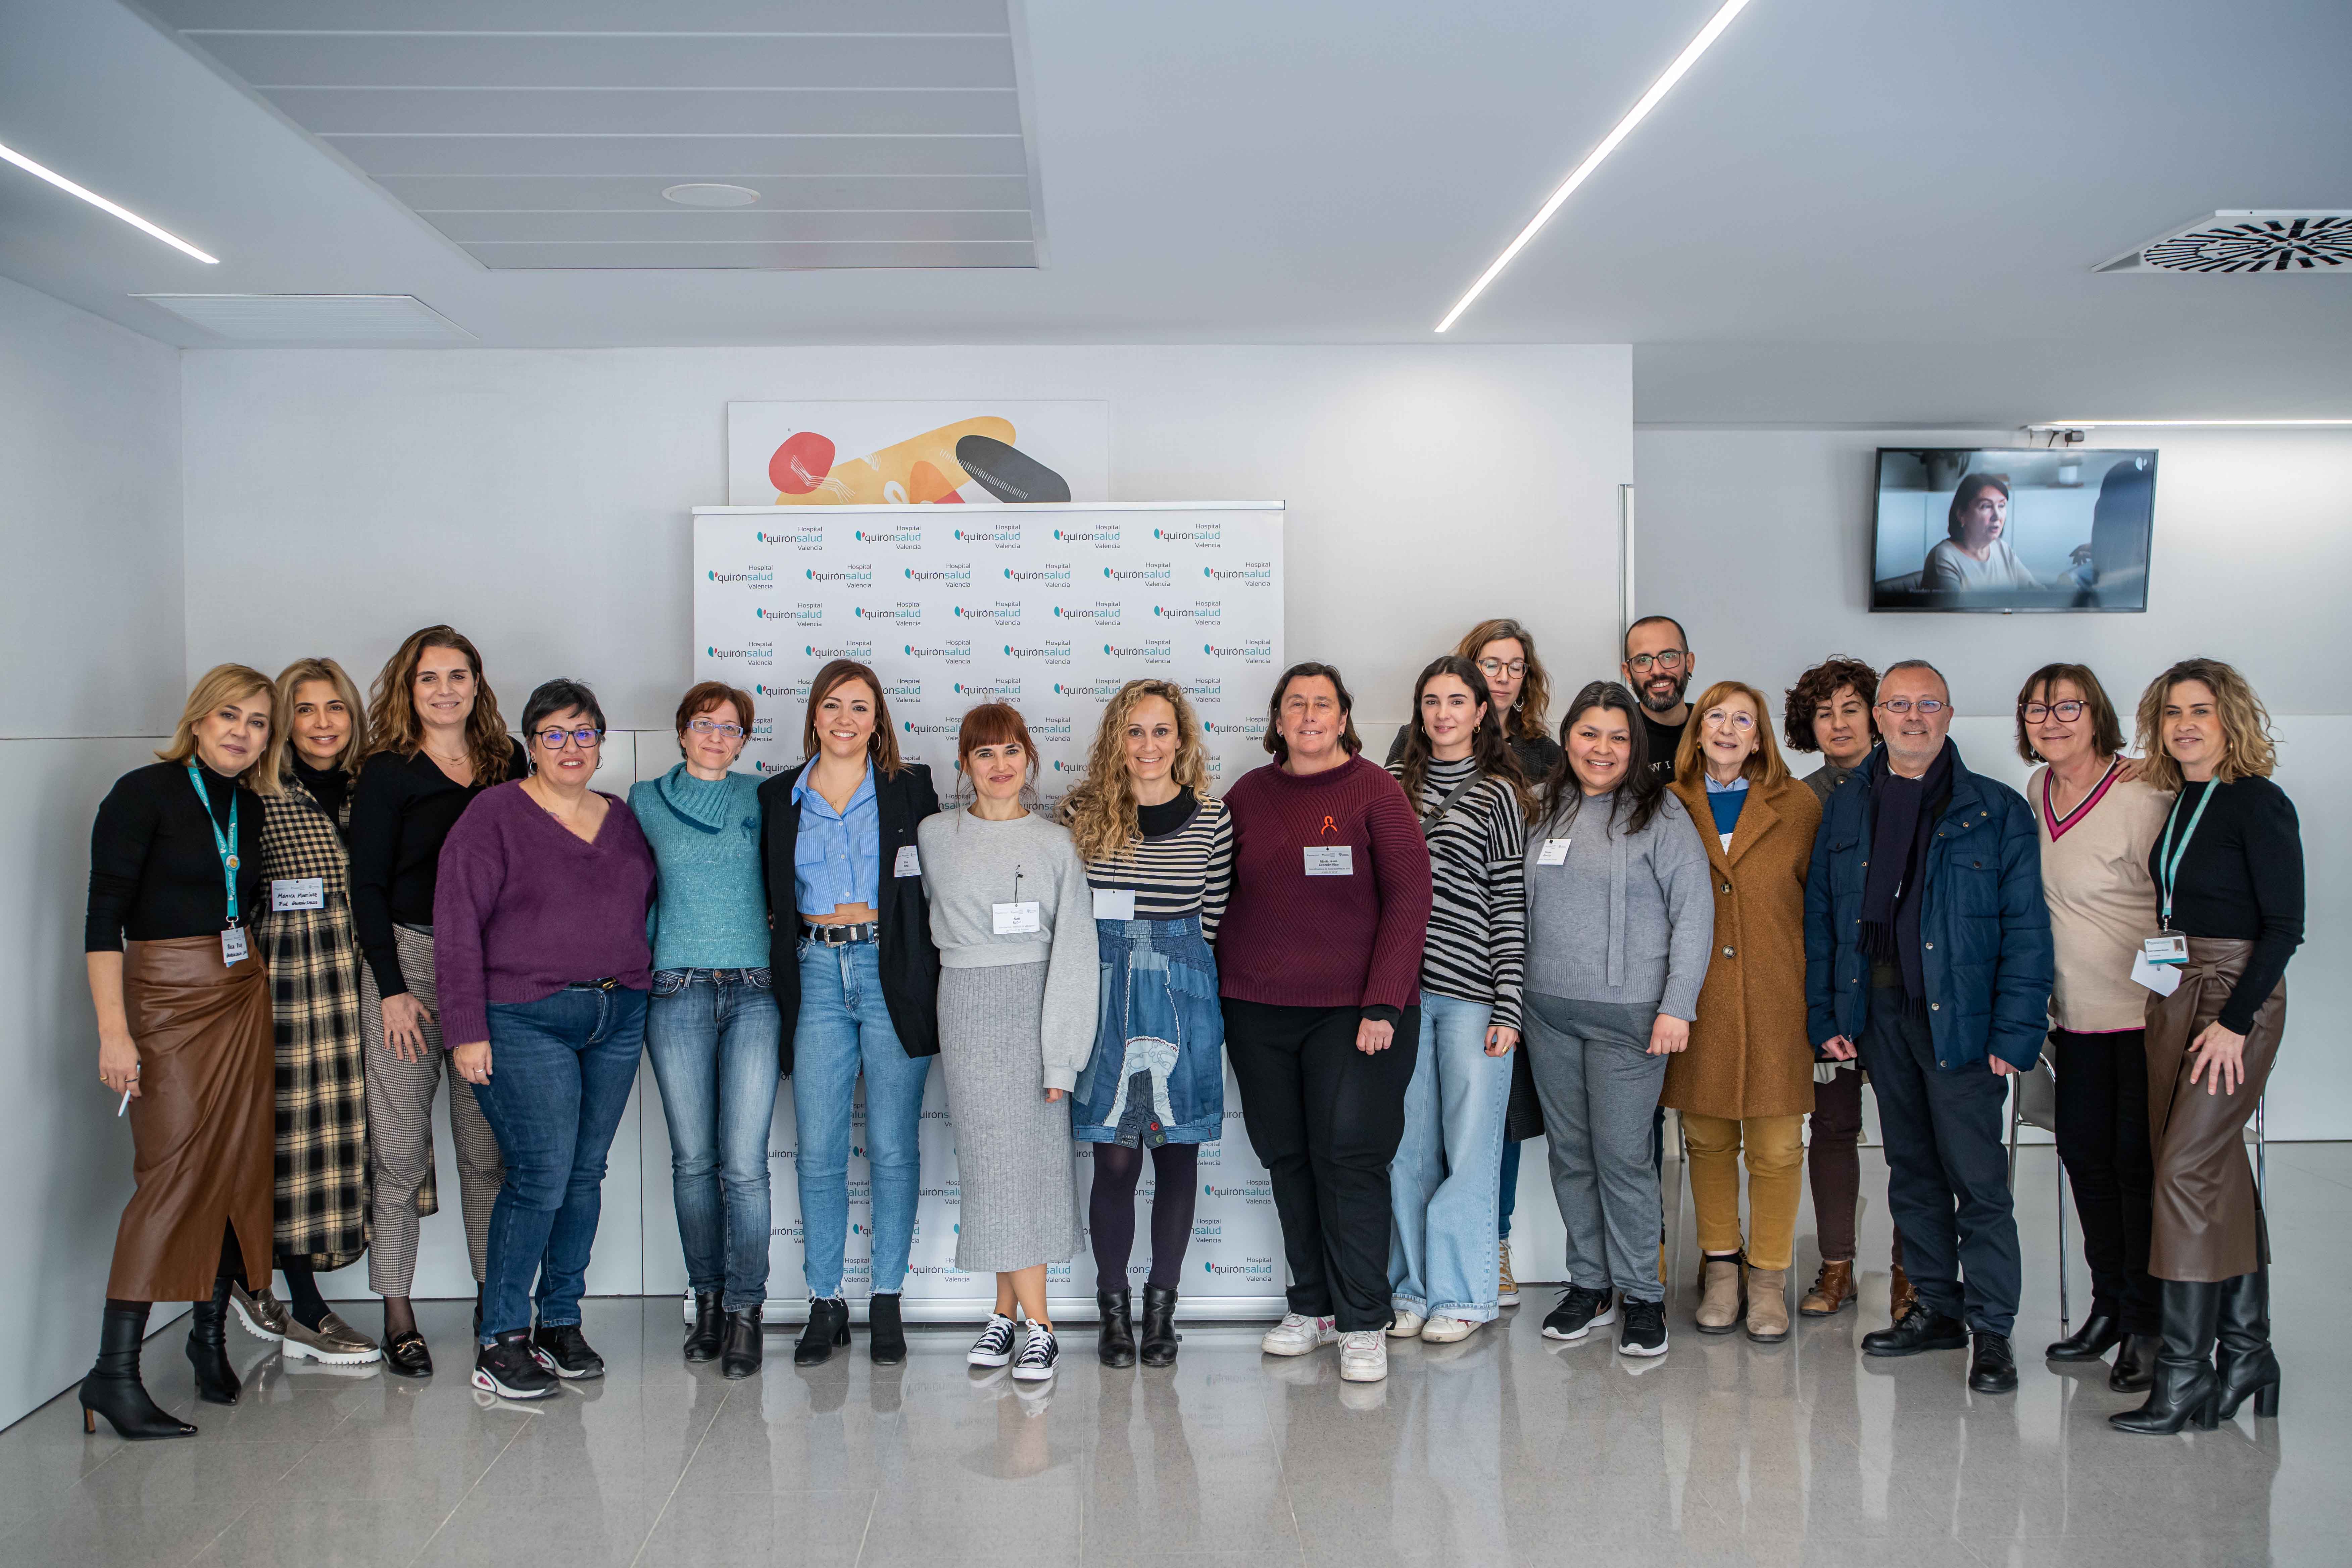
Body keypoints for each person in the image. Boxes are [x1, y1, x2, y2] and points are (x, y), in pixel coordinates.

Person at [1807, 660, 2051, 1395]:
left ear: (1949, 714)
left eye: (1929, 704)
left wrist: (2017, 1031)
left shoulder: (1996, 809)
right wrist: (1828, 1016)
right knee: (1910, 1171)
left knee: (1978, 1181)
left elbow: (2026, 929)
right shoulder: (1847, 806)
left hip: (1965, 1023)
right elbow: (1823, 915)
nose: (1914, 717)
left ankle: (1995, 1329)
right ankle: (1938, 1309)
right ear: (1878, 716)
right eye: (1899, 704)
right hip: (1879, 1016)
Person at [438, 679, 656, 1401]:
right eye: (555, 733)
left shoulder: (621, 819)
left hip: (616, 1015)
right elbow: (457, 927)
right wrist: (466, 1029)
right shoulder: (493, 814)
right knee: (541, 1171)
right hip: (523, 1017)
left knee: (586, 1172)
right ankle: (500, 1335)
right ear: (531, 744)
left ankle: (560, 1319)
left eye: (585, 732)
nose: (571, 746)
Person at [80, 666, 279, 1438]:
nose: (241, 731)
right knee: (170, 1175)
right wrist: (114, 1031)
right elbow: (103, 924)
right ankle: (112, 1374)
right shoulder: (142, 794)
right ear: (198, 719)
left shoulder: (250, 807)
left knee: (236, 1163)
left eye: (258, 721)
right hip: (162, 997)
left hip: (240, 990)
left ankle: (208, 1339)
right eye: (229, 714)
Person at [1220, 663, 1432, 1385]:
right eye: (1295, 704)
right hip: (1259, 1011)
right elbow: (1218, 892)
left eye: (1324, 704)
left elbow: (1410, 900)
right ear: (1277, 719)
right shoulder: (1248, 794)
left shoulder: (1376, 789)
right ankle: (1311, 1307)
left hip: (1357, 1013)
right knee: (1288, 1156)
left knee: (1350, 1157)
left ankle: (1363, 1318)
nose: (1309, 715)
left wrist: (1383, 1002)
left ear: (1344, 717)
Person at [2112, 659, 2301, 1434]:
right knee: (2209, 1165)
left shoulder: (2259, 802)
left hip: (2233, 998)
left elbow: (2284, 926)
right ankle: (2248, 1350)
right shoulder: (2184, 797)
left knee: (2186, 1169)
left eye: (2201, 710)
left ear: (2231, 720)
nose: (2185, 724)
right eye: (2171, 712)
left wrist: (2234, 1021)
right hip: (2177, 985)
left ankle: (2186, 1376)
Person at [350, 626, 526, 1375]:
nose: (445, 689)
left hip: (490, 966)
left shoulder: (508, 762)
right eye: (430, 677)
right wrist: (390, 987)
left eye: (459, 675)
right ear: (407, 686)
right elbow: (367, 884)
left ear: (478, 684)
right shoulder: (388, 770)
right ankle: (398, 1313)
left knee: (486, 1151)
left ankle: (497, 1309)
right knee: (398, 1152)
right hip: (409, 961)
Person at [756, 658, 942, 1368]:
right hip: (814, 970)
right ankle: (825, 1299)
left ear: (878, 719)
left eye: (860, 707)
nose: (845, 719)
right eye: (833, 706)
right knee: (820, 1149)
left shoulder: (909, 787)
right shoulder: (779, 796)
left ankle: (887, 1294)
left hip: (890, 968)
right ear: (813, 715)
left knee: (894, 1145)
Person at [1523, 682, 1712, 1359]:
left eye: (1618, 737)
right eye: (1589, 734)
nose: (1601, 749)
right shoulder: (1543, 808)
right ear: (1567, 736)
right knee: (1571, 1155)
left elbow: (1695, 913)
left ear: (1634, 747)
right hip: (1547, 1013)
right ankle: (1589, 1284)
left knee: (1625, 1157)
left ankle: (1644, 1294)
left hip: (1630, 1019)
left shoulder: (1661, 813)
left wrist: (1676, 1005)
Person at [1382, 618, 1560, 1307]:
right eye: (1432, 701)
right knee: (1407, 1150)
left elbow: (1511, 904)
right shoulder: (1390, 786)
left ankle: (1462, 1295)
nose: (1444, 713)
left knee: (1470, 1150)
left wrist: (1509, 1006)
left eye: (1458, 701)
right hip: (1400, 994)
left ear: (1482, 711)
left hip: (1472, 996)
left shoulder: (1500, 792)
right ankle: (1411, 1289)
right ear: (1419, 713)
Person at [920, 703, 1097, 1383]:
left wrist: (1062, 1052)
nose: (1000, 765)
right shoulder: (935, 835)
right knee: (992, 1167)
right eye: (985, 753)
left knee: (1034, 1169)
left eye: (1011, 751)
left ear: (1029, 759)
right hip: (966, 1005)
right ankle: (1008, 1315)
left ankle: (1038, 1326)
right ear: (965, 764)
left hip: (1037, 1005)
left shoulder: (1055, 844)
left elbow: (1076, 954)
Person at [1057, 680, 1232, 1368]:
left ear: (1182, 740)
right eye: (1135, 731)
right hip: (1103, 982)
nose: (1148, 745)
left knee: (1178, 1153)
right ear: (1116, 740)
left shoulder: (1213, 818)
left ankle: (1163, 1308)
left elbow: (1214, 914)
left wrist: (1178, 966)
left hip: (1184, 983)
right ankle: (1115, 1313)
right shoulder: (1082, 811)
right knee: (1115, 1157)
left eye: (1162, 731)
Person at [2017, 664, 2170, 1390]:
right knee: (2086, 1166)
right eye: (2037, 709)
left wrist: (2173, 1001)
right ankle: (2108, 1305)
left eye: (2067, 706)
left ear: (2097, 712)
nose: (2051, 720)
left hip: (2142, 1021)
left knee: (2136, 1171)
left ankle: (2150, 1323)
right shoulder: (2037, 790)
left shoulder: (2147, 790)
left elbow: (2181, 905)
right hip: (2072, 1023)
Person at [1664, 681, 1822, 1343]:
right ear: (1697, 731)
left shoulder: (1800, 805)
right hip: (1695, 1001)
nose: (1728, 729)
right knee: (1706, 1139)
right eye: (1716, 717)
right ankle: (1721, 1267)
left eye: (1744, 720)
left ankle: (1767, 1277)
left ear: (1761, 737)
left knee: (1779, 1147)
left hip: (1781, 996)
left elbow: (1826, 908)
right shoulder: (1670, 804)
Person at [236, 657, 382, 1366]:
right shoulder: (257, 796)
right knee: (293, 1138)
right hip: (290, 987)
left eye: (337, 709)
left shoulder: (370, 789)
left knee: (360, 1135)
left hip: (366, 985)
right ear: (284, 721)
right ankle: (301, 1302)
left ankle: (300, 1285)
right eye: (306, 709)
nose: (323, 723)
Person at [631, 682, 777, 1377]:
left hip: (754, 990)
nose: (717, 735)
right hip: (677, 990)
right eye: (704, 723)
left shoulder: (766, 798)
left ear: (744, 739)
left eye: (731, 726)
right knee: (693, 1160)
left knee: (743, 1165)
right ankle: (709, 1300)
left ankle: (749, 1310)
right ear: (681, 731)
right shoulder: (643, 801)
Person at [1780, 655, 1906, 1319]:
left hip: (1901, 992)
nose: (1838, 723)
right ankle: (1836, 1266)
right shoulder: (1801, 799)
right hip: (1828, 990)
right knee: (1832, 1126)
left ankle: (1914, 1269)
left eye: (1851, 708)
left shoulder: (1912, 782)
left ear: (1877, 715)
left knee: (1912, 1131)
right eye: (1825, 712)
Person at [1922, 474, 2040, 594]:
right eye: (1986, 506)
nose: (1998, 516)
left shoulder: (2002, 549)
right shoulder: (1944, 557)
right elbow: (1953, 612)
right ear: (1961, 515)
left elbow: (2038, 593)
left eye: (2002, 506)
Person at [1622, 615, 1697, 781]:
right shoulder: (1615, 734)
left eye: (1669, 656)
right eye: (1643, 660)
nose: (1657, 671)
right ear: (1628, 673)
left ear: (1689, 663)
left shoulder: (1716, 729)